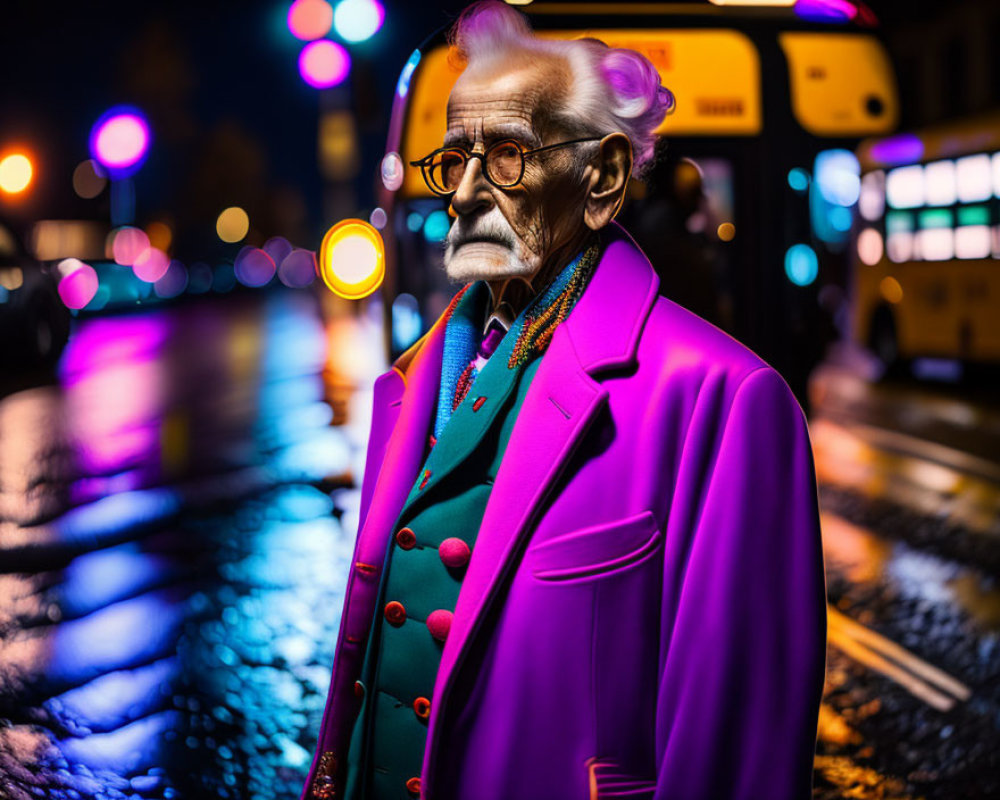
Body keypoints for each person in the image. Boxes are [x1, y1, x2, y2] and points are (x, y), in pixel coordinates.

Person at [301, 2, 826, 799]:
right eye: (454, 161)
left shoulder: (725, 397)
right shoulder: (415, 380)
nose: (465, 193)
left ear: (604, 178)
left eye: (507, 156)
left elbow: (732, 753)